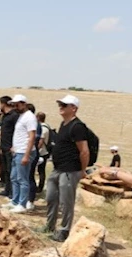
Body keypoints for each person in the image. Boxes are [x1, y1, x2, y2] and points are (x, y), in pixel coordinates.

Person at [44, 95, 89, 242]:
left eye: (64, 105)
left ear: (74, 108)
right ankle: (49, 226)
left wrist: (82, 170)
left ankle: (64, 230)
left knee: (66, 202)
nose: (61, 107)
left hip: (70, 170)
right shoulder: (64, 124)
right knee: (51, 198)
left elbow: (84, 151)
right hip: (58, 168)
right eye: (60, 104)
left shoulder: (77, 127)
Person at [1, 95, 37, 213]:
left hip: (24, 152)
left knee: (23, 179)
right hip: (18, 151)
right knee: (14, 177)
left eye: (17, 104)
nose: (15, 107)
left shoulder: (30, 117)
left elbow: (32, 137)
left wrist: (27, 155)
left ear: (24, 104)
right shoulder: (21, 117)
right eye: (14, 105)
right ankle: (15, 201)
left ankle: (22, 204)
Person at [0, 96, 18, 198]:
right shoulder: (4, 116)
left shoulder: (14, 116)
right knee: (6, 170)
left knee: (11, 170)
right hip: (4, 147)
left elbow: (16, 132)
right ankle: (7, 190)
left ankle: (12, 192)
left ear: (3, 104)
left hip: (11, 147)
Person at [36, 112, 50, 196]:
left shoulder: (42, 128)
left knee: (41, 171)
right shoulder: (47, 126)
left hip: (42, 152)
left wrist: (35, 150)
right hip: (45, 152)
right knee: (41, 170)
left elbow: (41, 141)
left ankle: (39, 188)